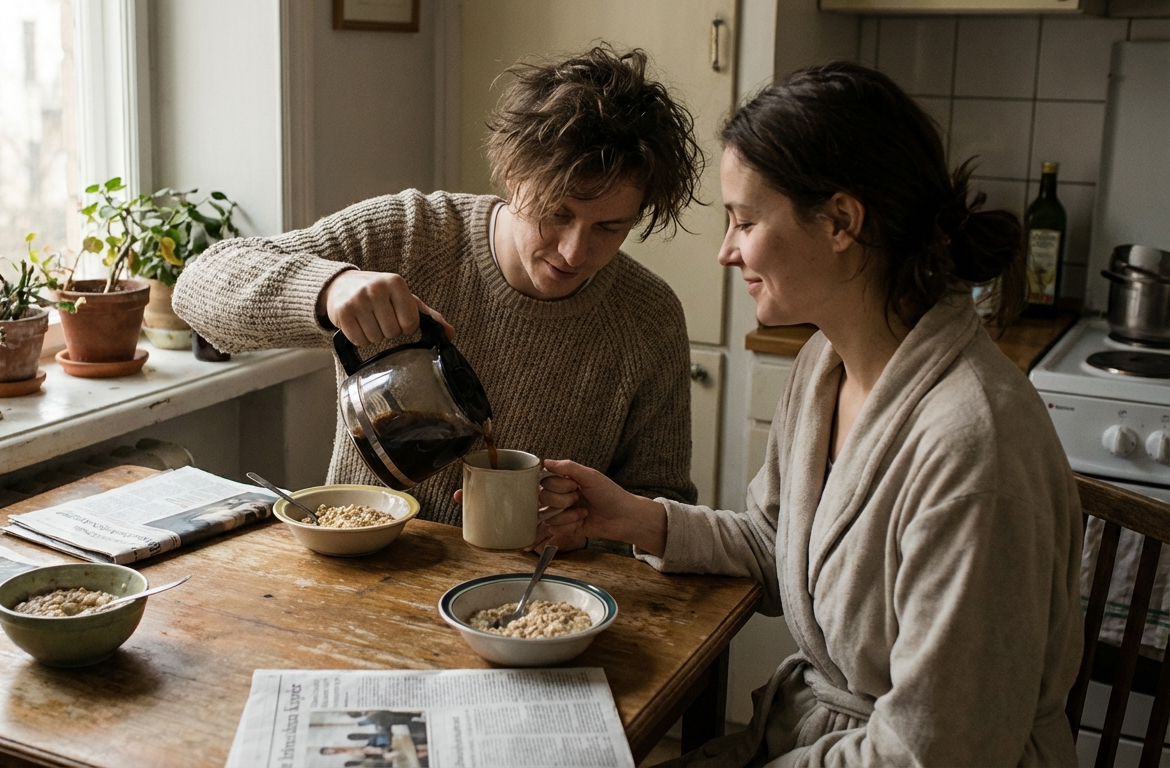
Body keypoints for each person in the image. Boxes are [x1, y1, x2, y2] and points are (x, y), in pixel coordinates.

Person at [536, 62, 1083, 766]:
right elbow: (780, 548)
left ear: (842, 222)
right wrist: (635, 519)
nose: (727, 252)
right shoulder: (825, 367)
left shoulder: (972, 448)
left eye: (745, 221)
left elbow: (939, 751)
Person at [174, 45, 702, 529]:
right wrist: (328, 287)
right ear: (513, 177)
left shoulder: (647, 317)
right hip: (361, 565)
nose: (574, 251)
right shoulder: (411, 235)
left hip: (529, 598)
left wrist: (586, 528)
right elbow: (196, 290)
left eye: (609, 228)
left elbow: (661, 501)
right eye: (554, 214)